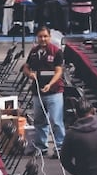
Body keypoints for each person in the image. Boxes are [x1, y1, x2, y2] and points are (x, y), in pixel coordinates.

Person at [22, 26, 66, 156]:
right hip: (37, 93)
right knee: (40, 121)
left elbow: (59, 71)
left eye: (45, 36)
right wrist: (29, 74)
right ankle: (41, 147)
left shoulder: (56, 51)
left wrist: (50, 84)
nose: (43, 39)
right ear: (37, 37)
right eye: (40, 36)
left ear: (49, 37)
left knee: (56, 121)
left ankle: (60, 148)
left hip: (54, 92)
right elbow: (26, 67)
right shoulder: (34, 52)